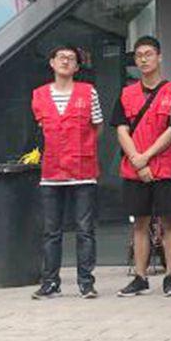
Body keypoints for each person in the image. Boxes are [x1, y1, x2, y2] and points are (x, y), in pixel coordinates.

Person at [30, 45, 103, 299]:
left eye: (71, 59)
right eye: (61, 57)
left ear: (77, 67)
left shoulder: (88, 92)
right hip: (51, 172)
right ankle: (50, 282)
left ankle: (86, 282)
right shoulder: (39, 95)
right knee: (51, 232)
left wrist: (83, 148)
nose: (65, 61)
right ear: (51, 62)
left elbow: (97, 126)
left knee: (85, 230)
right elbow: (40, 130)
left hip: (83, 170)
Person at [114, 37, 171, 298]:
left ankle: (170, 276)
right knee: (140, 222)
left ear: (159, 57)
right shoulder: (126, 93)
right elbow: (121, 129)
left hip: (166, 168)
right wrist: (137, 159)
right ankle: (140, 277)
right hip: (135, 170)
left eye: (149, 54)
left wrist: (147, 156)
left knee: (169, 221)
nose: (143, 59)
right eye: (139, 55)